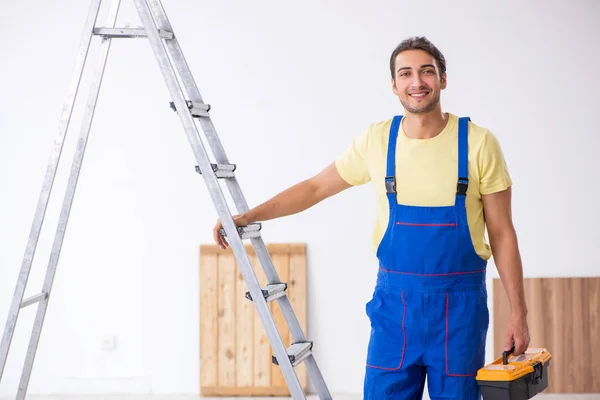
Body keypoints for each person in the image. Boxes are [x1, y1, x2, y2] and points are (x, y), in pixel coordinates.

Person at [212, 36, 530, 399]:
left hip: (459, 312)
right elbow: (316, 188)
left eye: (427, 72)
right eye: (406, 73)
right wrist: (248, 216)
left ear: (443, 79)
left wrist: (518, 311)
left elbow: (503, 233)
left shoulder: (477, 143)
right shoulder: (379, 141)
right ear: (394, 85)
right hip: (394, 309)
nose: (417, 82)